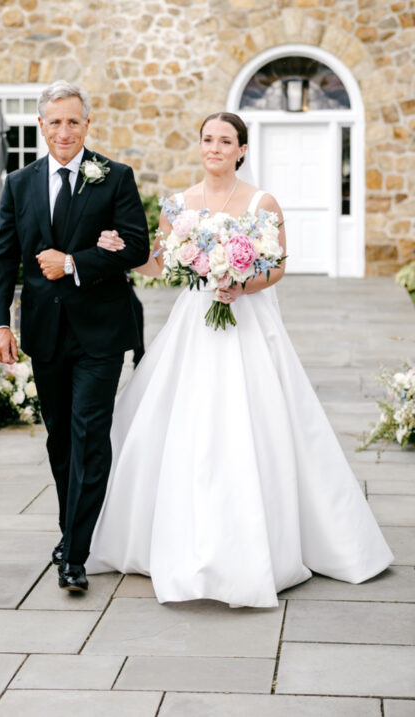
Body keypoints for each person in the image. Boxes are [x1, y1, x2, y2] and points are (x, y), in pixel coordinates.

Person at [86, 112, 393, 607]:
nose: (215, 147)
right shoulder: (178, 205)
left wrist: (240, 284)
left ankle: (268, 540)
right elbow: (161, 265)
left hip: (249, 322)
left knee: (263, 423)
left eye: (225, 141)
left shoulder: (261, 202)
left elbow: (277, 267)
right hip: (193, 326)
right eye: (208, 139)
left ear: (241, 149)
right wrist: (122, 250)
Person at [0, 81, 150, 592]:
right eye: (55, 121)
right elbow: (2, 260)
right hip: (45, 334)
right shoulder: (19, 184)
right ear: (41, 125)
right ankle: (70, 530)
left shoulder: (114, 177)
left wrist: (76, 262)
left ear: (87, 124)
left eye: (73, 121)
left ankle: (75, 554)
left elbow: (139, 247)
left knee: (89, 436)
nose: (64, 130)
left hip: (100, 332)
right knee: (60, 440)